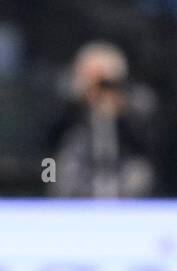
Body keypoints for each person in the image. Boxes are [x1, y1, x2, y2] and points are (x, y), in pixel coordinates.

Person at [45, 41, 155, 198]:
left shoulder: (136, 99)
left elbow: (146, 144)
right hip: (80, 166)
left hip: (123, 165)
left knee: (139, 174)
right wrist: (79, 101)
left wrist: (121, 113)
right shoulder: (70, 99)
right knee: (61, 170)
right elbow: (50, 138)